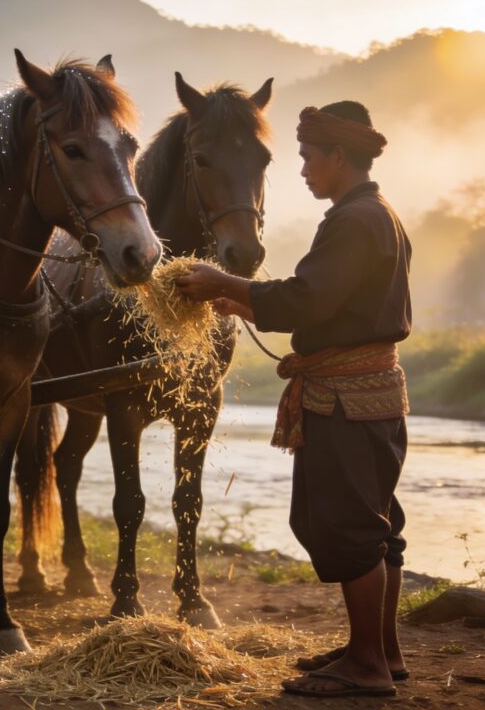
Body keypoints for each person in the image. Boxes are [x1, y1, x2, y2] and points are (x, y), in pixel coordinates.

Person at [174, 102, 411, 699]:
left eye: (308, 157)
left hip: (345, 400)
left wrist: (223, 283)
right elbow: (328, 304)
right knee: (375, 524)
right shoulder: (371, 214)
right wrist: (244, 303)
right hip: (369, 395)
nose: (302, 169)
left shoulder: (355, 220)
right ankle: (381, 649)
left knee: (345, 524)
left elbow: (307, 300)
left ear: (338, 156)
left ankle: (366, 666)